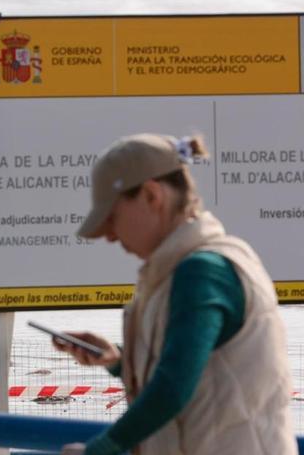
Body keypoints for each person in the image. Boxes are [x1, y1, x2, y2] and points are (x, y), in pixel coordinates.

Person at [54, 134, 295, 455]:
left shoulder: (202, 272)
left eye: (112, 218)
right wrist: (120, 360)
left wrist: (102, 448)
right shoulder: (196, 267)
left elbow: (174, 385)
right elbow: (205, 374)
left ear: (152, 195)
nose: (110, 236)